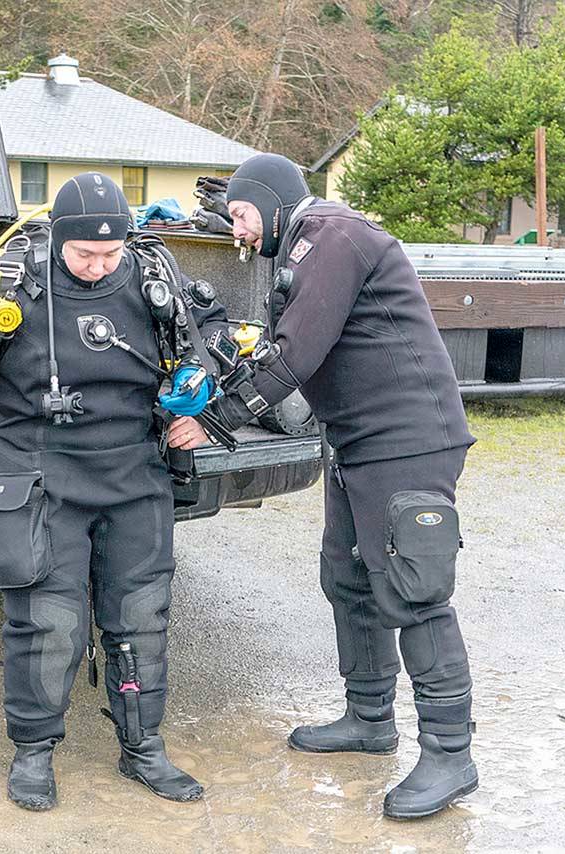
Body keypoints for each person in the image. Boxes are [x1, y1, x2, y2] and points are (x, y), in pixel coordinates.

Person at [168, 153, 479, 819]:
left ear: (274, 202)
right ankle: (369, 719)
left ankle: (451, 755)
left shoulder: (331, 236)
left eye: (244, 216)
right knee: (348, 575)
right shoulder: (307, 247)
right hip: (358, 440)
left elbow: (295, 354)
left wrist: (212, 420)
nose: (240, 233)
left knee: (414, 592)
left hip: (408, 440)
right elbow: (281, 349)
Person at [0, 172, 225, 811]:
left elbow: (203, 343)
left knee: (140, 616)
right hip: (39, 466)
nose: (97, 265)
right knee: (47, 620)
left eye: (109, 255)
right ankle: (33, 752)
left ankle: (143, 748)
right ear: (59, 239)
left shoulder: (149, 276)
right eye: (84, 254)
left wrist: (200, 381)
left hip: (134, 468)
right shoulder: (15, 276)